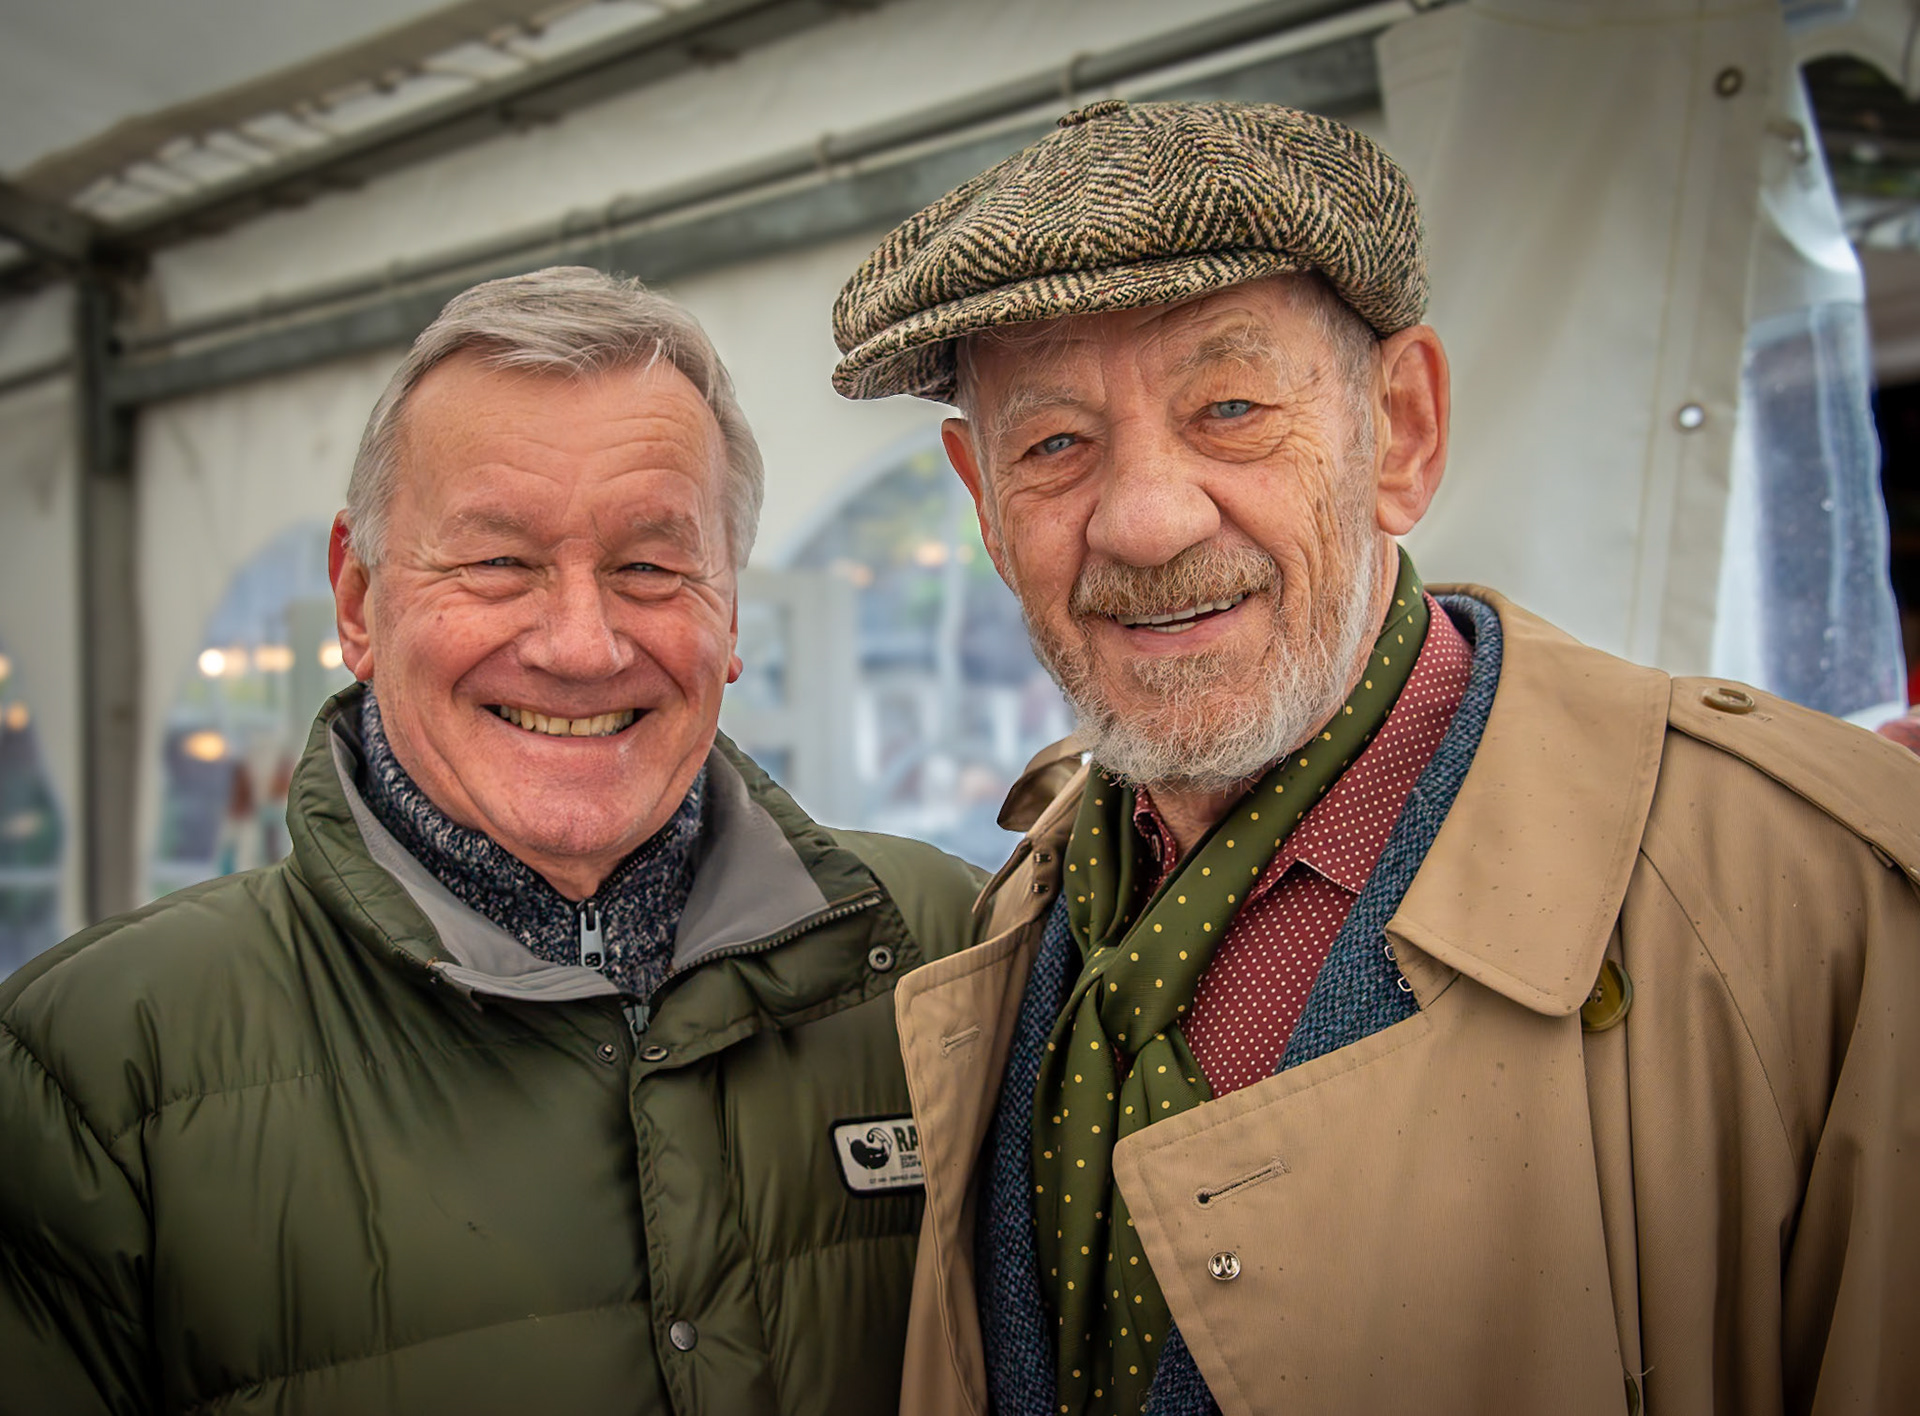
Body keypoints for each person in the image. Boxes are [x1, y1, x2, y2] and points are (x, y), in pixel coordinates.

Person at [829, 100, 1920, 1416]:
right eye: (1054, 444)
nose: (1147, 518)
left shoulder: (1815, 901)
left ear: (1400, 433)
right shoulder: (1019, 916)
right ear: (985, 507)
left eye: (1229, 407)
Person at [0, 267, 983, 1415]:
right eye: (498, 562)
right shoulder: (98, 1066)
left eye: (650, 567)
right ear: (358, 601)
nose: (581, 644)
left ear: (728, 616)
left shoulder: (949, 949)